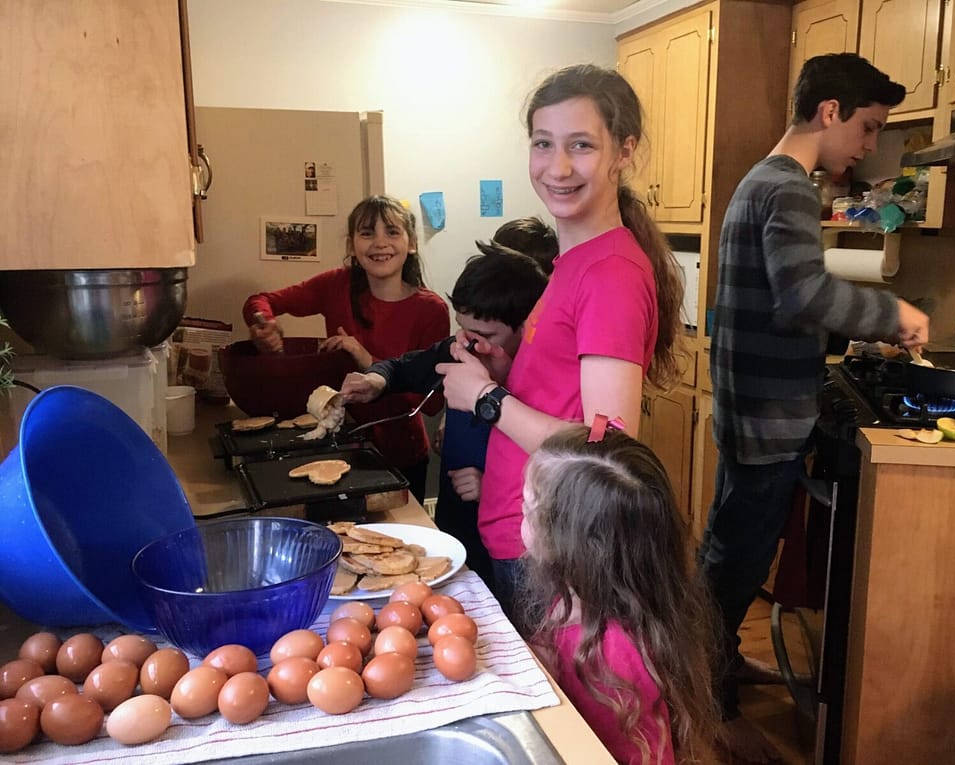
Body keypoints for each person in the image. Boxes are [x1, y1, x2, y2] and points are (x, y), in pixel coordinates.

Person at [702, 52, 930, 763]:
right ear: (828, 111)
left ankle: (708, 668)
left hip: (747, 406)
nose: (867, 146)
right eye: (866, 128)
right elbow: (804, 296)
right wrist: (892, 311)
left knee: (727, 550)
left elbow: (782, 296)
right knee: (736, 559)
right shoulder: (790, 189)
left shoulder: (756, 181)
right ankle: (703, 694)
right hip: (769, 414)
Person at [437, 63, 684, 615]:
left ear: (624, 150)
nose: (559, 167)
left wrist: (486, 399)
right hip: (526, 536)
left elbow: (605, 446)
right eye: (543, 144)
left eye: (581, 145)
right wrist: (503, 373)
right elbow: (569, 396)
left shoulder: (611, 275)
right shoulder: (572, 264)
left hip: (550, 548)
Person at [340, 235, 552, 592]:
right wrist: (377, 380)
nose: (469, 343)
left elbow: (559, 468)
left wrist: (493, 486)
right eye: (463, 328)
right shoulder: (460, 349)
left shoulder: (537, 383)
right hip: (456, 523)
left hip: (510, 542)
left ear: (527, 327)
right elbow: (406, 366)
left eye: (485, 334)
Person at [518, 423, 719, 765]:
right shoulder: (579, 597)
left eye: (526, 508)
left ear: (569, 542)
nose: (519, 513)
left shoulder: (614, 655)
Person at [242, 194, 450, 503]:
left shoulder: (431, 310)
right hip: (337, 445)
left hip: (401, 455)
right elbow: (261, 301)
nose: (380, 243)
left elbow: (432, 404)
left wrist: (369, 361)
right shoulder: (335, 286)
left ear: (411, 243)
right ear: (352, 246)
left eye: (392, 232)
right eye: (367, 233)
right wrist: (264, 324)